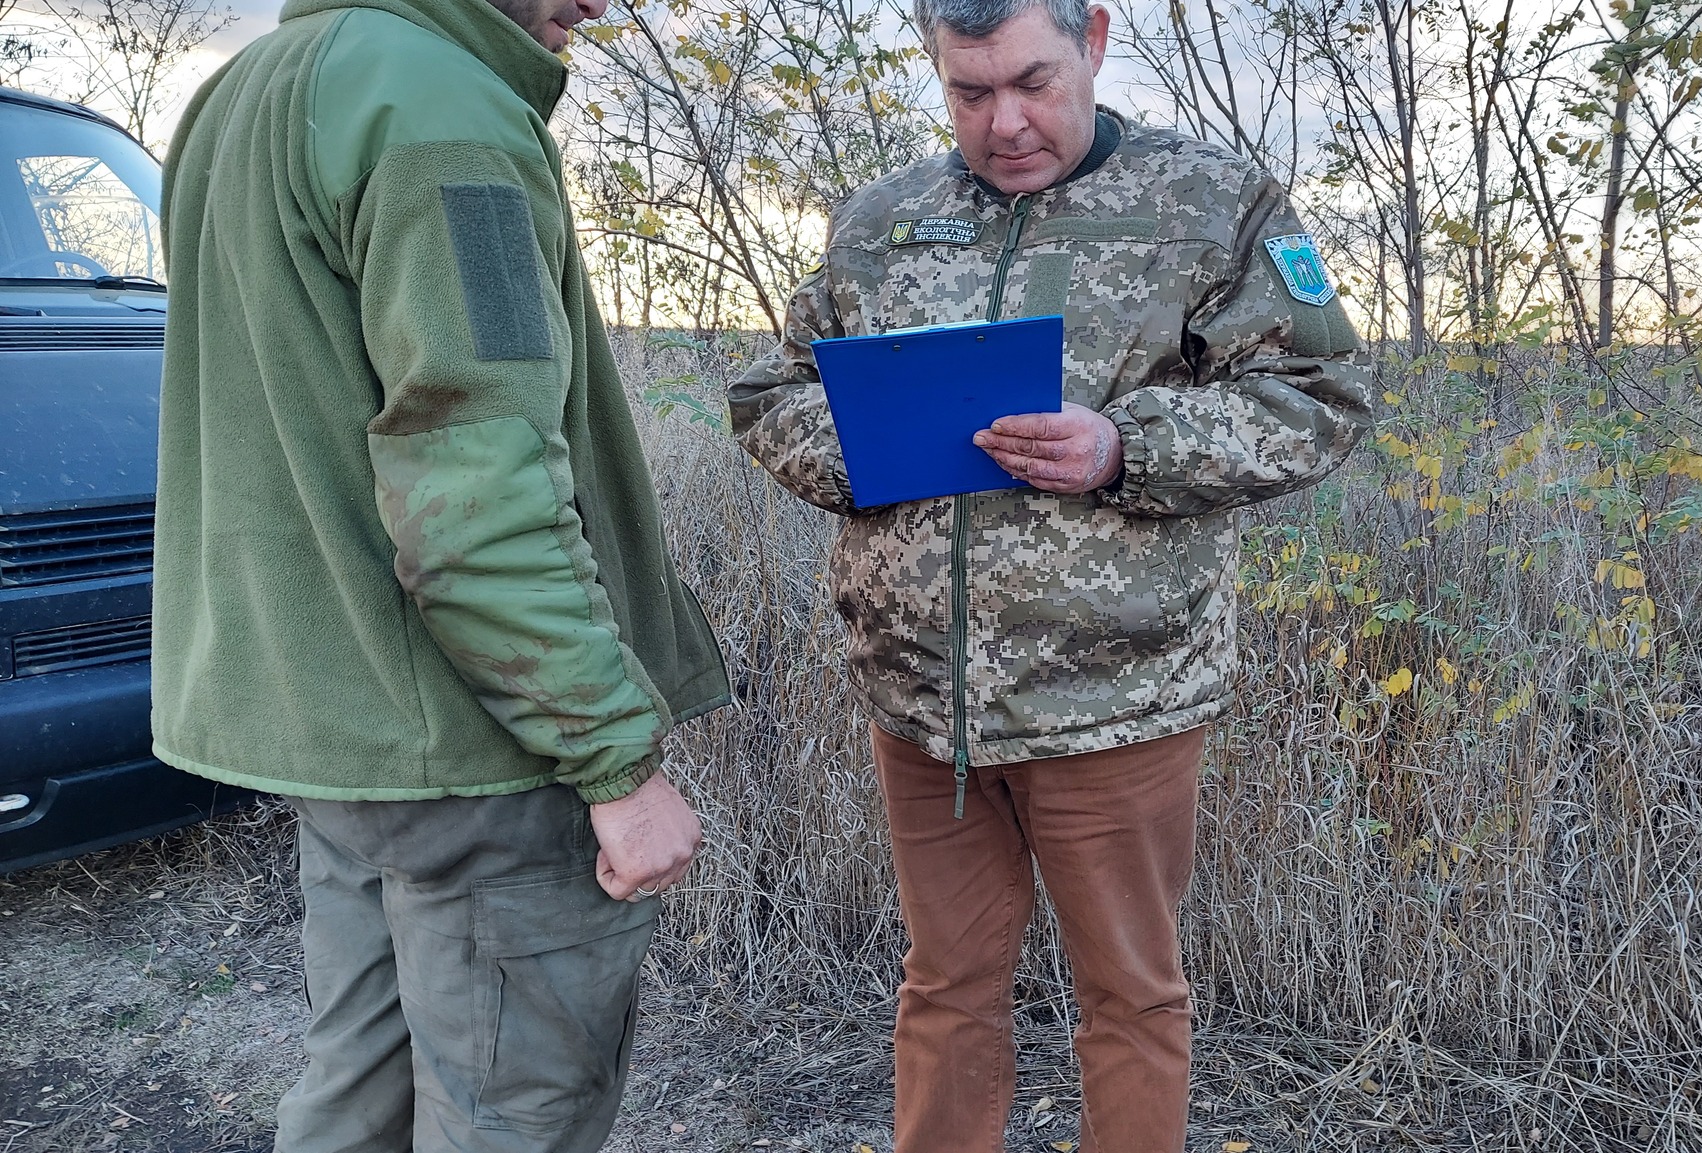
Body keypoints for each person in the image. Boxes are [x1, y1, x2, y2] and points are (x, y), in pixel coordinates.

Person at [727, 0, 1372, 1146]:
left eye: (1031, 81)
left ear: (1095, 41)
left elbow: (1320, 398)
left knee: (1130, 998)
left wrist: (1127, 448)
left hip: (1113, 701)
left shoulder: (1208, 202)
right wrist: (863, 452)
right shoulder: (881, 221)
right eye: (970, 92)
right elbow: (773, 392)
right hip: (925, 705)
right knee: (944, 988)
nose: (1005, 123)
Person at [153, 0, 731, 1149]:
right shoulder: (438, 112)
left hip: (340, 736)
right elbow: (478, 498)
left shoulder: (242, 94)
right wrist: (614, 764)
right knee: (513, 1113)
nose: (598, 7)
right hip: (479, 753)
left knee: (354, 1091)